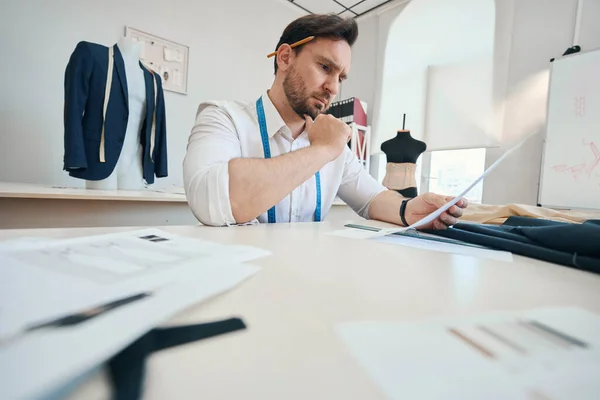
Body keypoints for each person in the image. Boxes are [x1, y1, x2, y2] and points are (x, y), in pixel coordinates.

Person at [183, 14, 467, 228]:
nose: (334, 88)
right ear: (284, 57)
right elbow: (210, 201)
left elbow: (372, 198)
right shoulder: (223, 118)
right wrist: (321, 151)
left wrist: (409, 211)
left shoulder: (332, 142)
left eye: (341, 77)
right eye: (324, 67)